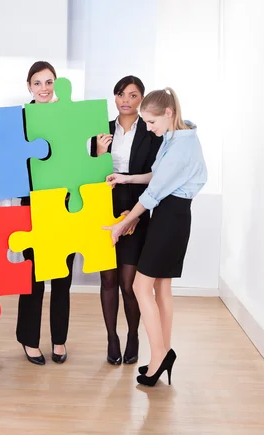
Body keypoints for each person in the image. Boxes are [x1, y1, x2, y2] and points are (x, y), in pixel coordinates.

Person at [104, 87, 207, 386]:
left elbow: (153, 194)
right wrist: (125, 178)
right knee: (161, 288)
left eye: (151, 122)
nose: (149, 128)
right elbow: (156, 175)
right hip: (169, 214)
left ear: (169, 114)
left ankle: (160, 356)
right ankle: (162, 354)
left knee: (140, 285)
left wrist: (121, 225)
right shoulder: (175, 138)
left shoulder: (180, 147)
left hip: (171, 218)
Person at [90, 76, 162, 366]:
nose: (125, 100)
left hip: (136, 207)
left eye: (132, 95)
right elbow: (89, 175)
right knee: (107, 278)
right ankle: (111, 337)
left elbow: (157, 175)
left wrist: (133, 214)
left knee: (128, 282)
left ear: (141, 99)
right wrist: (98, 154)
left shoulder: (151, 131)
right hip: (103, 206)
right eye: (121, 94)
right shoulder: (102, 130)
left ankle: (133, 334)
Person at [16, 61, 74, 365]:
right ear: (29, 86)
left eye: (49, 82)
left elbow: (77, 156)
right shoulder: (21, 119)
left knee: (62, 275)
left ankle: (59, 339)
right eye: (37, 83)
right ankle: (29, 340)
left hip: (64, 205)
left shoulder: (67, 116)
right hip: (33, 207)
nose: (44, 88)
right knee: (34, 276)